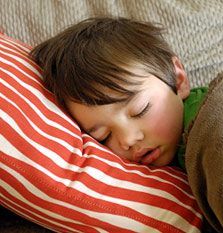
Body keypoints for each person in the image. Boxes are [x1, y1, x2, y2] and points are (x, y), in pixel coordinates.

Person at [30, 17, 207, 169]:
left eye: (141, 110)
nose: (128, 140)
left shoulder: (206, 123)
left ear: (178, 78)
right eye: (104, 137)